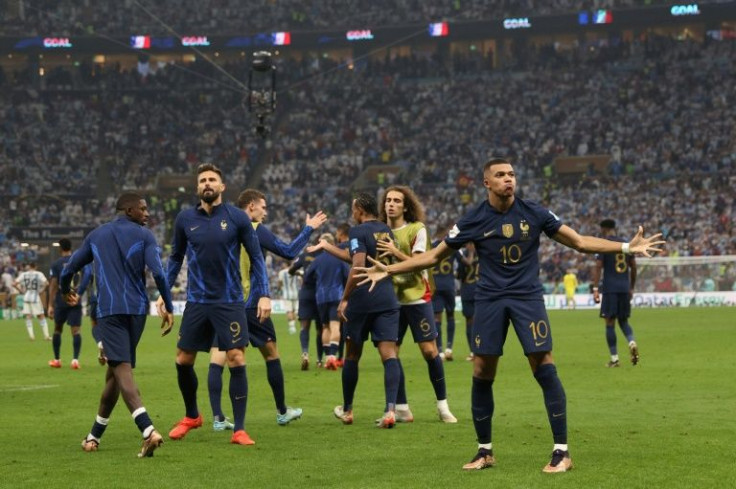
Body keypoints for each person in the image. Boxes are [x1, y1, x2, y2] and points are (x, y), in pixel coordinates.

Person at [356, 158, 665, 472]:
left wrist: (625, 246)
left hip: (526, 298)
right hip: (489, 300)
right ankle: (484, 451)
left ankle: (562, 452)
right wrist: (390, 269)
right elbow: (434, 256)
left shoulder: (534, 212)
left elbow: (580, 242)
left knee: (543, 364)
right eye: (501, 175)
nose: (508, 180)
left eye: (512, 175)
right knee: (481, 369)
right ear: (487, 183)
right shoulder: (473, 219)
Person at [161, 164, 271, 446]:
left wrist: (264, 293)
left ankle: (240, 429)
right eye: (202, 180)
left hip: (229, 300)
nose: (207, 183)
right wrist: (163, 292)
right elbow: (175, 259)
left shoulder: (237, 218)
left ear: (222, 187)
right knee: (183, 360)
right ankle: (192, 416)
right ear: (198, 188)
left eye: (212, 180)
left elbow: (256, 258)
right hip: (197, 301)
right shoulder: (185, 219)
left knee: (236, 357)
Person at [61, 192, 175, 457]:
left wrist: (66, 289)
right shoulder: (145, 237)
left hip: (110, 312)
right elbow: (158, 273)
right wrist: (168, 305)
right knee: (114, 373)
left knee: (121, 370)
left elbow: (69, 268)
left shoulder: (96, 235)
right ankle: (94, 436)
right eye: (143, 209)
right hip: (137, 312)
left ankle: (148, 430)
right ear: (128, 211)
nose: (147, 213)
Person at [206, 188, 325, 429]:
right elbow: (289, 252)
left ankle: (218, 417)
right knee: (271, 354)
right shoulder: (254, 229)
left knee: (218, 358)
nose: (266, 211)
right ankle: (282, 411)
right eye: (263, 206)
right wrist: (309, 228)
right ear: (251, 206)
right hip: (252, 304)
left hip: (224, 304)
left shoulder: (220, 228)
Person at [376, 185, 457, 423]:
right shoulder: (380, 232)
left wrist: (394, 251)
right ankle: (401, 408)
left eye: (396, 201)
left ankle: (443, 406)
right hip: (390, 301)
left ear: (405, 206)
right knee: (391, 354)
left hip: (417, 297)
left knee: (430, 351)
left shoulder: (416, 229)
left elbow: (420, 262)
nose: (390, 204)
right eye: (388, 200)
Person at [332, 192, 401, 428]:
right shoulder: (386, 230)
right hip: (387, 298)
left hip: (362, 299)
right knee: (389, 354)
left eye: (353, 209)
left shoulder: (357, 231)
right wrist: (328, 247)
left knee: (352, 354)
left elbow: (358, 265)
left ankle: (348, 410)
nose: (352, 213)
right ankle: (390, 410)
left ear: (360, 210)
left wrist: (344, 298)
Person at [592, 219, 640, 367]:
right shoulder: (626, 243)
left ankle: (614, 359)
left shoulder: (604, 243)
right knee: (624, 321)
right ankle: (631, 342)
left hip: (610, 288)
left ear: (604, 229)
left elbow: (599, 266)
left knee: (610, 322)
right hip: (624, 288)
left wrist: (595, 288)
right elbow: (634, 266)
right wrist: (631, 287)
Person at [304, 232, 349, 370]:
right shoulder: (340, 258)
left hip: (321, 297)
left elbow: (307, 278)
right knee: (335, 326)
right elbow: (347, 276)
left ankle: (327, 357)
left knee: (325, 327)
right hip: (337, 295)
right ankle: (332, 357)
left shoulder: (316, 260)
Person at [47, 238, 88, 369]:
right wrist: (79, 293)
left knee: (58, 329)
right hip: (75, 298)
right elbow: (85, 278)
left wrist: (50, 305)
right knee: (76, 331)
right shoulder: (78, 262)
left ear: (60, 248)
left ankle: (57, 359)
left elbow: (53, 285)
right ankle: (75, 360)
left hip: (61, 299)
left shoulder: (56, 264)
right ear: (70, 248)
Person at [431, 225, 460, 361]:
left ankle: (440, 351)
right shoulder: (451, 247)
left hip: (436, 286)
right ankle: (449, 348)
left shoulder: (431, 247)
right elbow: (464, 262)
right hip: (449, 285)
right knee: (450, 316)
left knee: (437, 318)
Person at [290, 248, 322, 369]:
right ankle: (319, 360)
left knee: (304, 327)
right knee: (320, 329)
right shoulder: (325, 255)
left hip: (306, 293)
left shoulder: (304, 255)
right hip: (320, 294)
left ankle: (305, 353)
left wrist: (300, 274)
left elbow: (291, 270)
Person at [13, 262, 50, 341]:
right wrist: (42, 291)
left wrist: (21, 291)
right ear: (36, 266)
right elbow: (47, 283)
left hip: (26, 296)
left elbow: (14, 284)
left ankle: (31, 336)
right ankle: (46, 336)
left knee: (28, 316)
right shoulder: (39, 274)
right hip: (35, 296)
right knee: (41, 316)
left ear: (29, 266)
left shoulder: (24, 274)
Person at [457, 242, 479, 361]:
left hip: (468, 291)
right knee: (476, 321)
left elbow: (460, 274)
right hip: (478, 291)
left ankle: (473, 351)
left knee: (470, 322)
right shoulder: (482, 253)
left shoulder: (464, 255)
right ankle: (477, 350)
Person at [277, 261, 300, 334]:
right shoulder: (296, 271)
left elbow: (280, 283)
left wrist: (280, 289)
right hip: (296, 293)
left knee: (289, 310)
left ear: (285, 264)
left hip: (287, 294)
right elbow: (301, 280)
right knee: (295, 310)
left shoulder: (282, 272)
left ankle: (292, 327)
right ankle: (296, 324)